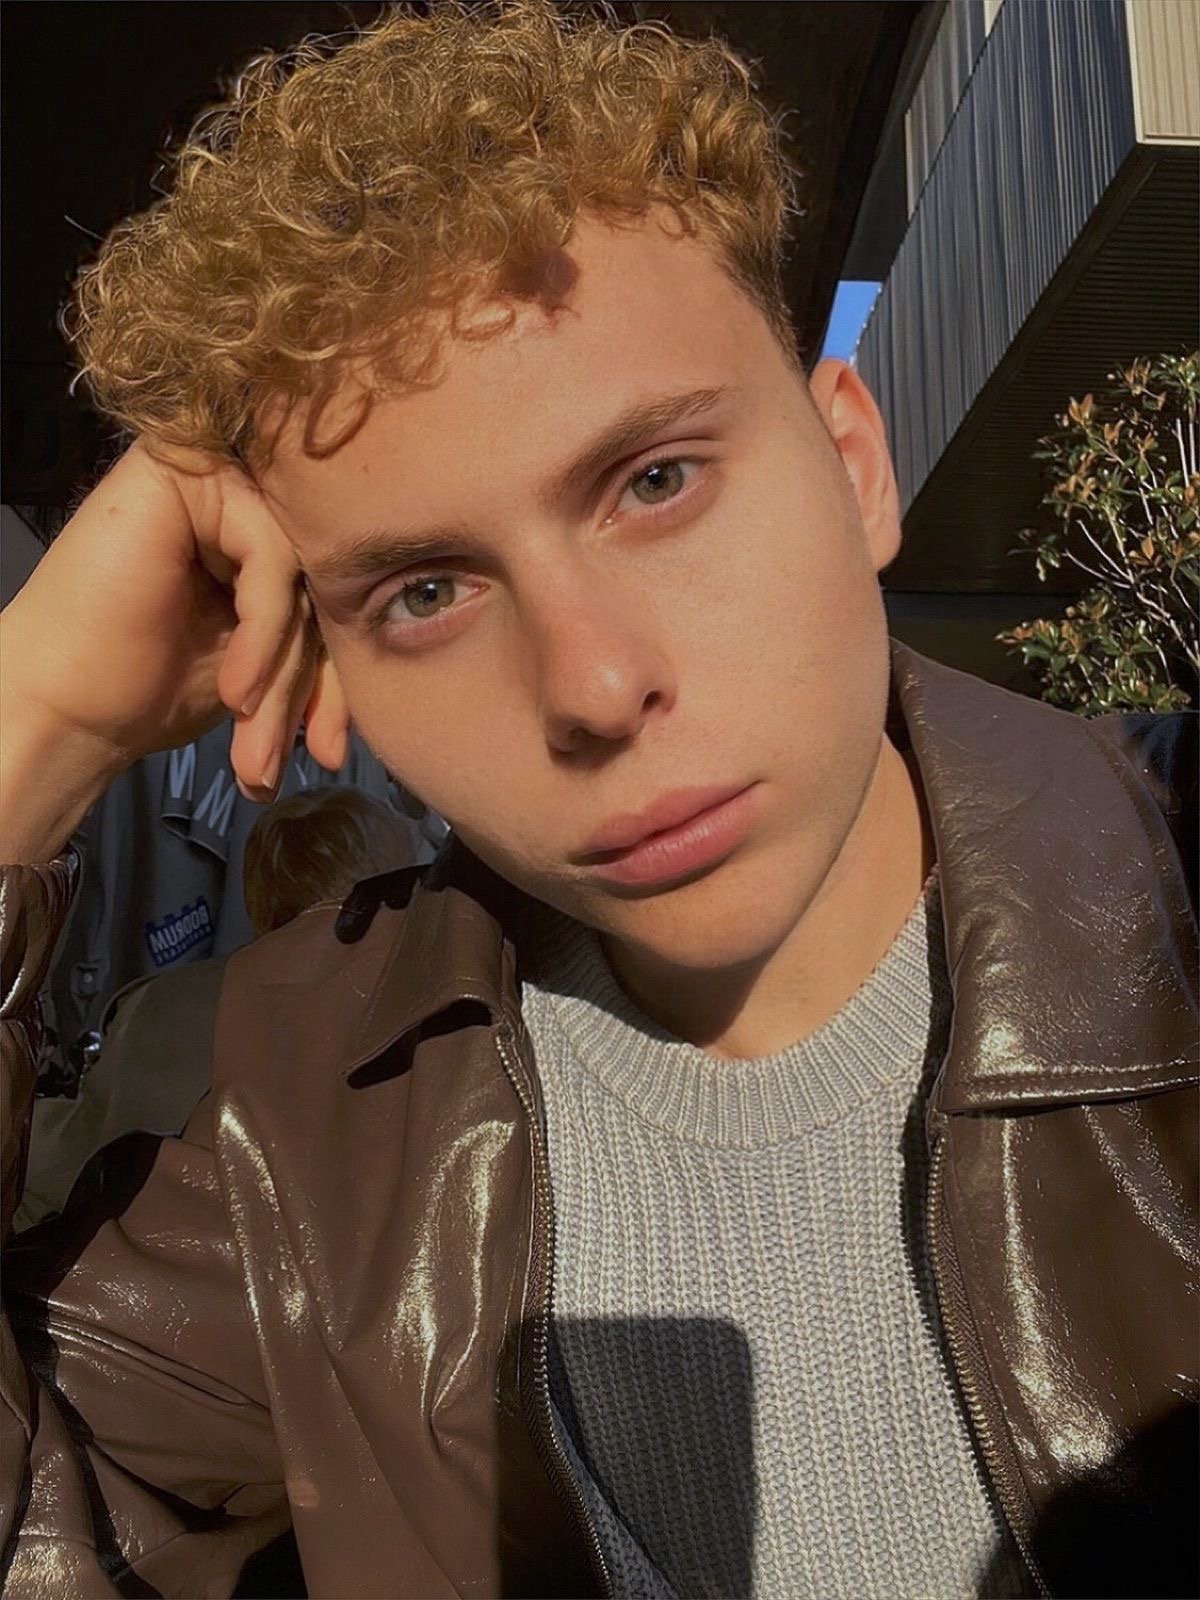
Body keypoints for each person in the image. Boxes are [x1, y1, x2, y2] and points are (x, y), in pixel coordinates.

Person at [0, 5, 1194, 1598]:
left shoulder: (1176, 875)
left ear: (853, 464)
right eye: (427, 590)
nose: (591, 686)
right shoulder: (307, 1126)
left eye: (655, 481)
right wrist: (32, 729)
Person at [14, 786, 421, 1231]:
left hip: (165, 1259)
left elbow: (73, 1161)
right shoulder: (428, 1015)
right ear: (401, 892)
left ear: (256, 892)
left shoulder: (161, 1005)